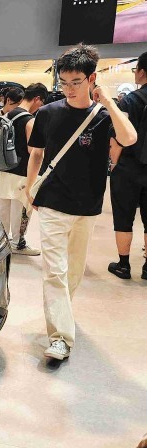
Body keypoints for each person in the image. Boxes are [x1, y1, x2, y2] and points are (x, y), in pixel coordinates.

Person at [25, 44, 137, 361]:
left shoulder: (103, 116)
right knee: (54, 271)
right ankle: (60, 336)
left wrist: (109, 102)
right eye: (64, 82)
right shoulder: (48, 113)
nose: (69, 89)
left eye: (76, 82)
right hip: (52, 203)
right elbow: (36, 154)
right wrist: (30, 188)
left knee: (73, 271)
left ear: (91, 79)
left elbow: (129, 138)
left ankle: (63, 314)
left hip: (87, 206)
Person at [0, 83, 48, 256]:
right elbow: (33, 150)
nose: (41, 107)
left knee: (3, 207)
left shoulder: (7, 115)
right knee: (21, 209)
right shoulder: (29, 120)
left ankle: (1, 241)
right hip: (22, 172)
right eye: (42, 103)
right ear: (37, 99)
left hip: (3, 168)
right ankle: (18, 243)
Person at [108, 51, 147, 280]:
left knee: (124, 217)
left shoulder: (130, 101)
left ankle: (123, 265)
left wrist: (114, 164)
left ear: (141, 72)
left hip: (128, 168)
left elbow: (117, 138)